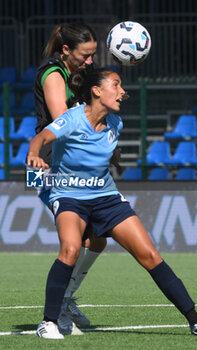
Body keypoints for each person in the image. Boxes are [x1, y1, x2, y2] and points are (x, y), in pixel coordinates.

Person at [27, 68, 197, 339]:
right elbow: (40, 138)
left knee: (150, 256)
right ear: (96, 90)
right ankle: (48, 322)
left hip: (106, 197)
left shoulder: (115, 124)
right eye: (116, 85)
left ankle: (196, 321)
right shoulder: (72, 119)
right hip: (68, 195)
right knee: (71, 249)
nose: (123, 92)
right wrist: (34, 155)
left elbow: (100, 153)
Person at [33, 22, 114, 335]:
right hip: (51, 166)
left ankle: (65, 298)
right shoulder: (53, 74)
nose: (90, 61)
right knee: (74, 241)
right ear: (65, 50)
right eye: (85, 55)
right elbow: (60, 120)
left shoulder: (76, 74)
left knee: (98, 238)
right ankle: (58, 310)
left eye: (93, 55)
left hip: (77, 166)